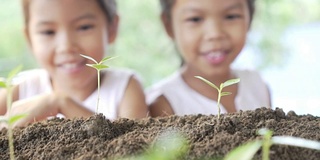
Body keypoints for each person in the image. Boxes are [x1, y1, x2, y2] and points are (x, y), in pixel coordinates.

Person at [0, 0, 148, 127]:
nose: (66, 46)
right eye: (48, 32)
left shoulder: (125, 88)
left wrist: (60, 103)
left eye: (84, 27)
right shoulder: (20, 89)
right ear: (29, 38)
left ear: (112, 28)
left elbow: (137, 149)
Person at [146, 0, 271, 117]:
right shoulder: (160, 103)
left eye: (231, 16)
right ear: (168, 25)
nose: (215, 34)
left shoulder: (257, 85)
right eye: (195, 19)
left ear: (250, 17)